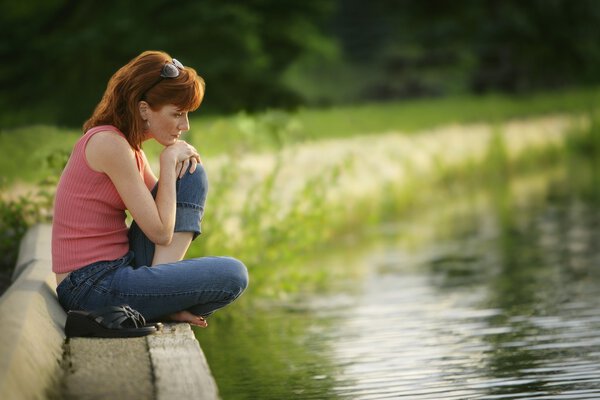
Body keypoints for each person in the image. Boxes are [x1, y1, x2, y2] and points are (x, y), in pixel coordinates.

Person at [52, 50, 248, 329]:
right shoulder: (109, 144)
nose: (185, 125)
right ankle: (161, 301)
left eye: (188, 115)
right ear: (144, 109)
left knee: (192, 174)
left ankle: (159, 299)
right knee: (233, 275)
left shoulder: (129, 148)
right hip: (89, 287)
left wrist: (174, 166)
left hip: (118, 270)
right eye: (177, 114)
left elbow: (167, 213)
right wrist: (167, 163)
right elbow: (159, 232)